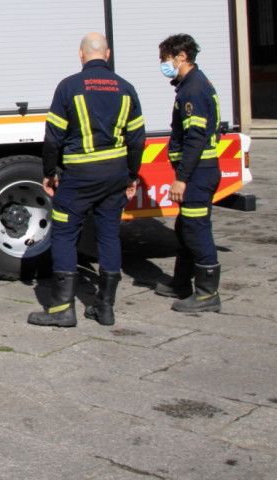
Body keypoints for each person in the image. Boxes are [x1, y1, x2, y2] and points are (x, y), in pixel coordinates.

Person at [30, 34, 145, 327]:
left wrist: (49, 171)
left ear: (81, 55)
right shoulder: (126, 89)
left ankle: (62, 310)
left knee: (66, 235)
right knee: (109, 236)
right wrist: (131, 175)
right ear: (106, 54)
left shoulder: (69, 87)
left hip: (79, 178)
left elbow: (53, 137)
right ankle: (105, 308)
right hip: (114, 177)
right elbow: (136, 139)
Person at [154, 33, 224, 313]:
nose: (164, 64)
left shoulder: (193, 89)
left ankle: (208, 294)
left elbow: (195, 137)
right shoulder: (192, 84)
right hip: (200, 171)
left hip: (198, 174)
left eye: (165, 58)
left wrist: (181, 178)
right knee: (185, 227)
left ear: (181, 56)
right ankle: (181, 282)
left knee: (196, 230)